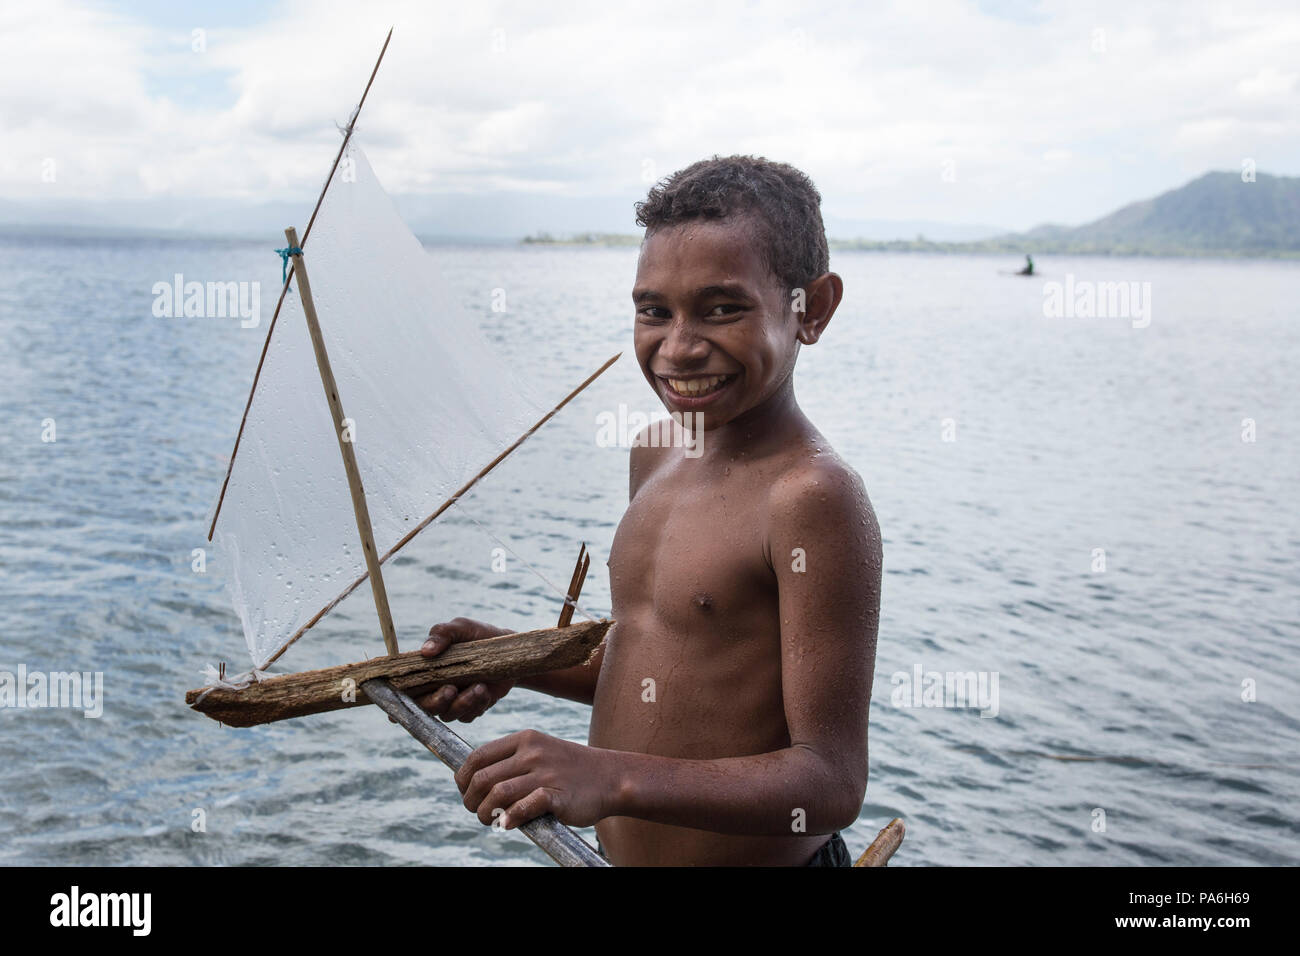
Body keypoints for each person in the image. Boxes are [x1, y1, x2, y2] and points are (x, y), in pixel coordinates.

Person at [416, 156, 882, 866]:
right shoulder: (657, 450)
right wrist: (518, 658)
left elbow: (830, 780)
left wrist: (612, 776)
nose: (680, 346)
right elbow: (674, 656)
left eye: (723, 308)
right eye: (653, 311)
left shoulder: (812, 497)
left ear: (810, 308)